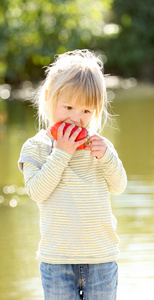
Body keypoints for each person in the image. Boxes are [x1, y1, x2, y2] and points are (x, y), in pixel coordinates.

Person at [18, 49, 127, 300]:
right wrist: (60, 153)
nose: (77, 118)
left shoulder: (99, 146)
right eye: (68, 107)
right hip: (57, 260)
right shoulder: (36, 147)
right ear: (49, 98)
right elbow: (37, 192)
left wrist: (108, 156)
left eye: (87, 111)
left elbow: (119, 186)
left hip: (101, 257)